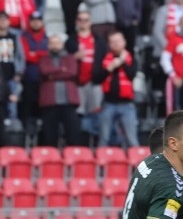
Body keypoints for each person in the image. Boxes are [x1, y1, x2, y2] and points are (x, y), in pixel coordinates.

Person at [93, 31, 139, 147]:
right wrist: (110, 68)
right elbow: (97, 78)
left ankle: (138, 165)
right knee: (104, 138)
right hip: (109, 103)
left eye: (118, 41)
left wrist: (122, 62)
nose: (116, 44)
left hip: (127, 105)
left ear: (124, 42)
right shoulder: (105, 59)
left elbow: (132, 75)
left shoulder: (131, 58)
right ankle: (102, 163)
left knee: (132, 139)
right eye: (112, 42)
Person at [66, 10, 105, 143]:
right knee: (80, 114)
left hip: (95, 81)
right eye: (81, 20)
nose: (83, 22)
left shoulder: (99, 41)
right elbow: (64, 61)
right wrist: (73, 58)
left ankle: (94, 142)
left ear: (91, 22)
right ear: (77, 22)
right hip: (77, 82)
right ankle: (82, 144)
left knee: (96, 113)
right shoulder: (71, 40)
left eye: (86, 20)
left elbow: (104, 60)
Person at [37, 34, 80, 146]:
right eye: (52, 43)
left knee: (73, 135)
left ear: (62, 45)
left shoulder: (70, 58)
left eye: (57, 43)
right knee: (50, 137)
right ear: (48, 45)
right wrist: (62, 70)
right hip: (50, 103)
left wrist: (53, 75)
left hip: (68, 102)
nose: (55, 46)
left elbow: (72, 72)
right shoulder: (44, 59)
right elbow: (44, 71)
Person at [19, 11, 45, 126]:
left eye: (38, 20)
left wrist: (36, 54)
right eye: (33, 21)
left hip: (43, 79)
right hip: (28, 78)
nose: (36, 23)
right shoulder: (24, 37)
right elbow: (27, 56)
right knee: (27, 109)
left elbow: (48, 56)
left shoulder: (47, 37)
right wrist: (42, 55)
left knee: (42, 109)